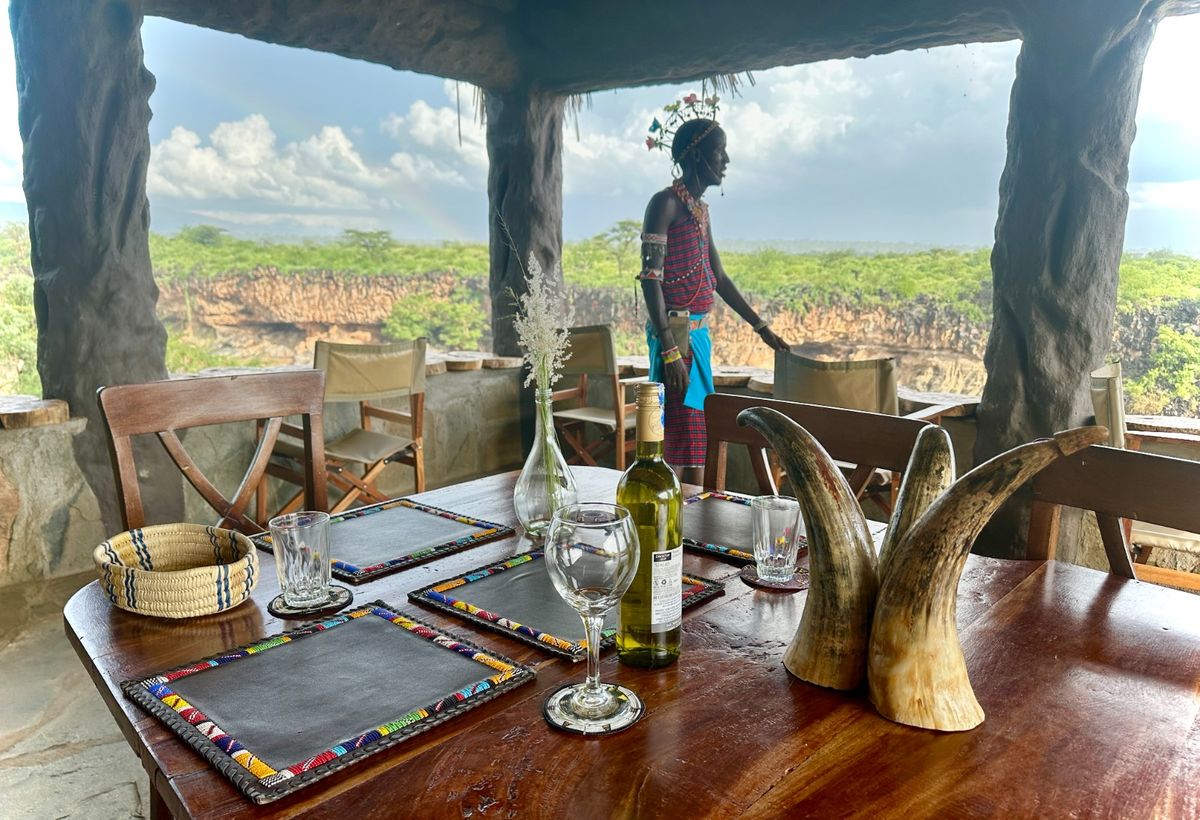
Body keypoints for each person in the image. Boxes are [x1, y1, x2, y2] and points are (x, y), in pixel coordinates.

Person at [638, 116, 790, 484]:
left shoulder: (700, 211)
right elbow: (651, 279)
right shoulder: (665, 204)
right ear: (697, 156)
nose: (726, 160)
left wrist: (761, 327)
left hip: (697, 340)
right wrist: (670, 352)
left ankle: (691, 512)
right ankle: (670, 508)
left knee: (695, 436)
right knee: (676, 437)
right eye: (720, 151)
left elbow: (717, 277)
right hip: (676, 340)